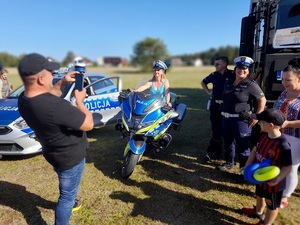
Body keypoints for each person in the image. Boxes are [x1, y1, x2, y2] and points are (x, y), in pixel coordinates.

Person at [17, 53, 94, 225]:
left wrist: (64, 82)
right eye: (51, 72)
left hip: (53, 152)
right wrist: (80, 101)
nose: (54, 75)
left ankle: (69, 196)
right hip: (70, 158)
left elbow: (49, 95)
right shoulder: (55, 107)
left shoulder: (24, 99)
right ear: (40, 79)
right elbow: (88, 124)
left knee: (65, 183)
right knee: (66, 197)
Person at [217, 56, 267, 176]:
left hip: (241, 120)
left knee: (243, 145)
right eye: (239, 68)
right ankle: (230, 162)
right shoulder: (229, 82)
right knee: (228, 142)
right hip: (226, 118)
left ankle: (244, 170)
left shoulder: (251, 84)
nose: (241, 71)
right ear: (235, 69)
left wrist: (256, 116)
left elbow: (262, 99)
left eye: (245, 69)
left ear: (248, 70)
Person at [241, 108, 292, 225]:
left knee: (272, 205)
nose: (260, 123)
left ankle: (266, 223)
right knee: (259, 195)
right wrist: (248, 164)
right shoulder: (263, 135)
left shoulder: (283, 145)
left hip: (273, 184)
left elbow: (287, 166)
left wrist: (277, 179)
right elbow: (255, 150)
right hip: (260, 177)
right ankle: (258, 212)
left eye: (261, 122)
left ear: (270, 125)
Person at [273, 57, 300, 209]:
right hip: (279, 135)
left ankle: (284, 196)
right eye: (283, 79)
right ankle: (275, 188)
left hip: (296, 138)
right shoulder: (284, 92)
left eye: (288, 80)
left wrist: (288, 123)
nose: (284, 83)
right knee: (277, 164)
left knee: (290, 168)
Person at [201, 56, 234, 162]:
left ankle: (220, 153)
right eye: (215, 64)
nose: (215, 66)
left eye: (217, 64)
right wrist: (209, 92)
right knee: (215, 128)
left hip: (227, 106)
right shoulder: (214, 75)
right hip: (215, 106)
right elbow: (203, 82)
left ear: (224, 64)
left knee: (225, 130)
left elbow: (247, 80)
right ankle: (216, 151)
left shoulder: (232, 74)